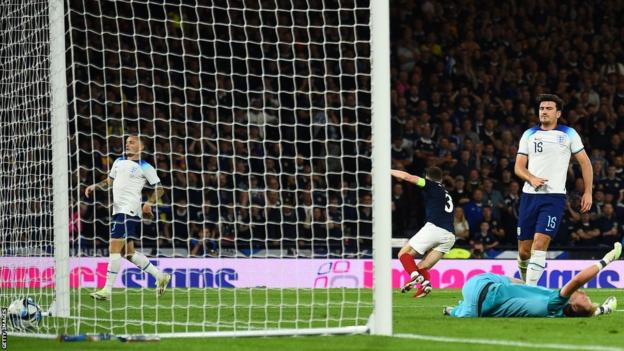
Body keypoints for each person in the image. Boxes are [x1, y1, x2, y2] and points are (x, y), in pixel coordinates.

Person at [514, 94, 593, 285]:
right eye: (541, 108)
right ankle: (527, 283)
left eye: (549, 108)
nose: (544, 112)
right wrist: (531, 178)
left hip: (554, 198)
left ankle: (529, 291)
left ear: (558, 113)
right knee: (524, 251)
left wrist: (588, 191)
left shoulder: (569, 134)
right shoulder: (529, 134)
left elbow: (586, 163)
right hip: (529, 197)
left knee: (540, 244)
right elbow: (518, 167)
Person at [85, 135, 171, 300]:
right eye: (127, 142)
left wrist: (149, 203)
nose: (128, 144)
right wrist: (96, 185)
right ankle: (160, 276)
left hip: (129, 210)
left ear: (141, 146)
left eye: (132, 142)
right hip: (118, 211)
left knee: (114, 249)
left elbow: (159, 189)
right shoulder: (118, 161)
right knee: (128, 253)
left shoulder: (145, 166)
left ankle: (107, 290)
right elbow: (109, 181)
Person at [444, 243, 620, 318]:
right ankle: (454, 310)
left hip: (480, 286)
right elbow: (581, 312)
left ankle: (456, 310)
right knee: (523, 287)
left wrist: (606, 260)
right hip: (480, 303)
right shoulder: (556, 313)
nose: (584, 293)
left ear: (573, 306)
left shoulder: (556, 302)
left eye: (585, 299)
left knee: (516, 285)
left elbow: (577, 280)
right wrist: (602, 309)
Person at [392, 167, 455, 298]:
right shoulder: (445, 192)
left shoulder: (431, 185)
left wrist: (387, 170)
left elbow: (407, 177)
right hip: (450, 236)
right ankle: (425, 284)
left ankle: (415, 277)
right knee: (422, 266)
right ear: (441, 178)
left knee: (403, 254)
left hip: (435, 228)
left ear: (427, 177)